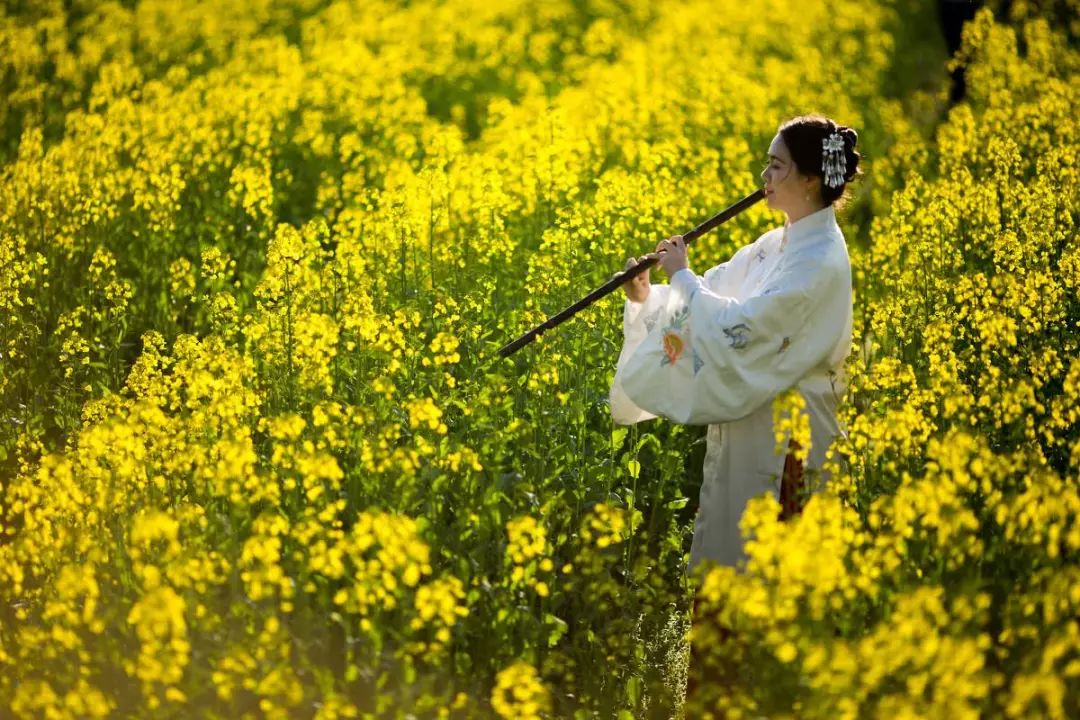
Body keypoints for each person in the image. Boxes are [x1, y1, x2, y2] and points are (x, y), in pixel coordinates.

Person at [610, 114, 859, 572]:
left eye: (776, 166)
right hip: (751, 422)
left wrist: (682, 275)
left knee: (768, 568)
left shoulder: (820, 260)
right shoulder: (776, 243)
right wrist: (650, 295)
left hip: (788, 439)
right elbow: (716, 290)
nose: (765, 176)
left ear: (808, 179)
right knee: (730, 554)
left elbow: (738, 326)